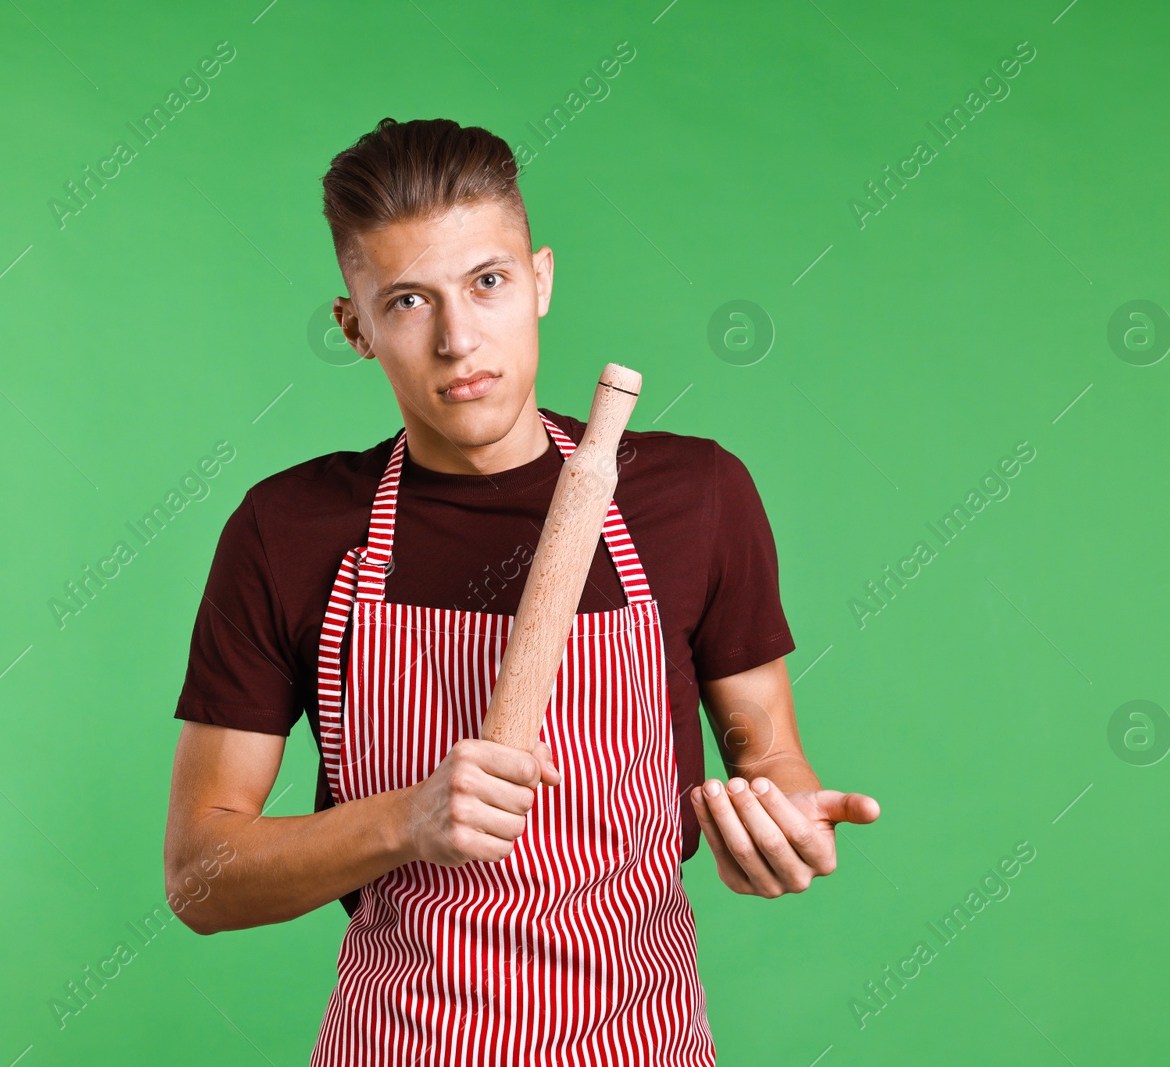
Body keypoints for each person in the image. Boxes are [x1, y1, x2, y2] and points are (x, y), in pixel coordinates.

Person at [162, 117, 880, 1065]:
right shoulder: (290, 529)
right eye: (409, 301)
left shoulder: (694, 495)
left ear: (540, 279)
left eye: (488, 282)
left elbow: (769, 750)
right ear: (356, 325)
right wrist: (404, 820)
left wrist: (776, 821)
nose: (459, 339)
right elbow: (199, 881)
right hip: (398, 1043)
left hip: (645, 1039)